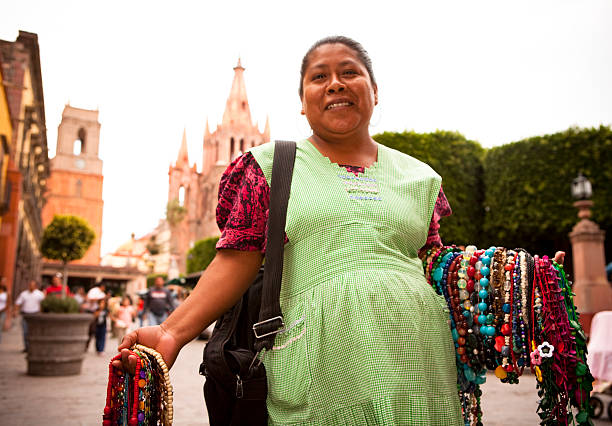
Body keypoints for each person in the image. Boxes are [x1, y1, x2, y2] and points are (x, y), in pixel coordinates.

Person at [116, 37, 565, 424]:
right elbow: (237, 257)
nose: (334, 83)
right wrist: (173, 333)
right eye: (318, 76)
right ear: (303, 100)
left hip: (422, 369)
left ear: (373, 91)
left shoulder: (419, 177)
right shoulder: (270, 167)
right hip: (317, 366)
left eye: (349, 72)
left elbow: (432, 263)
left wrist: (521, 276)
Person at [14, 280, 45, 352]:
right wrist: (15, 311)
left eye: (33, 285)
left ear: (35, 286)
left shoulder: (40, 294)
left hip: (35, 315)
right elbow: (18, 303)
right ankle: (27, 347)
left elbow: (43, 304)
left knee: (35, 332)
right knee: (25, 331)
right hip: (25, 314)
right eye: (30, 285)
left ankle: (34, 347)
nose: (31, 286)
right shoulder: (24, 294)